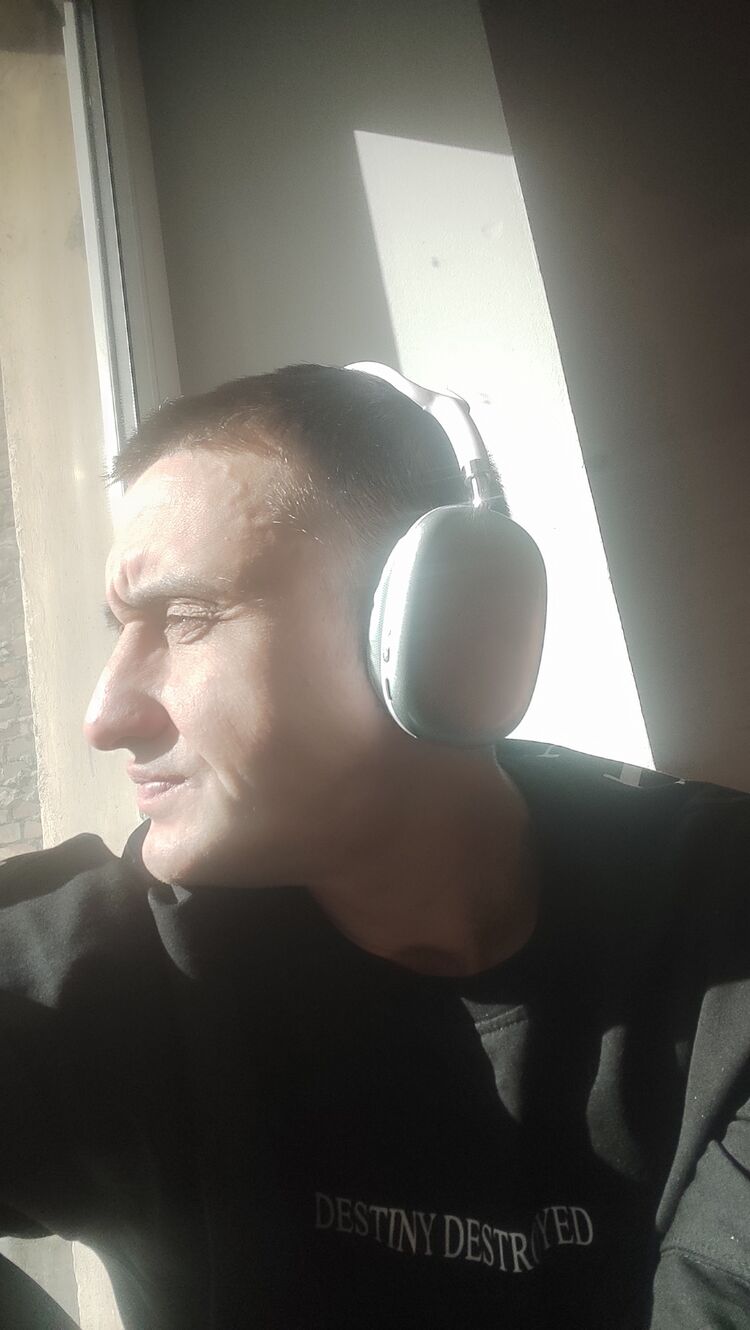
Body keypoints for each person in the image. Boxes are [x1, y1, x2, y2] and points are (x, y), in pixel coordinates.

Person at [0, 363, 748, 1329]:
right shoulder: (104, 972)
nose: (105, 719)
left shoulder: (724, 909)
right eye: (120, 631)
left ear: (438, 626)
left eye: (185, 619)